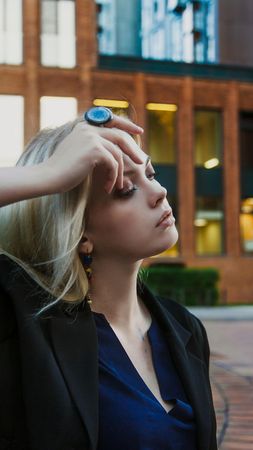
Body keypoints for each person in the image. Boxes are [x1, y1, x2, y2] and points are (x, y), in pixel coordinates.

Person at [0, 107, 217, 450]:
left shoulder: (184, 327)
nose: (159, 192)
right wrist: (50, 174)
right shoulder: (21, 321)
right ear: (80, 231)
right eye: (127, 188)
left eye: (151, 173)